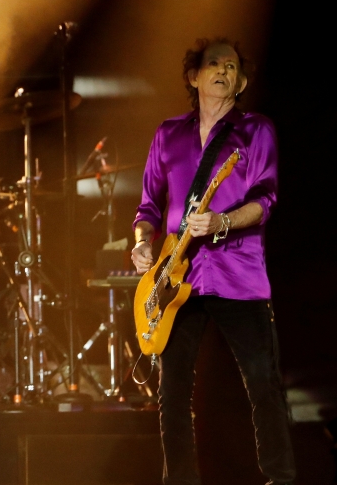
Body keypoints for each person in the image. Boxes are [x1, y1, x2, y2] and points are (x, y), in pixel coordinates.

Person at [131, 38, 294, 485]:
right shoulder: (168, 134)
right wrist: (142, 243)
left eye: (232, 66)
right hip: (176, 278)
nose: (223, 70)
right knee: (172, 393)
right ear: (193, 76)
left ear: (241, 83)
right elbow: (148, 207)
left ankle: (280, 479)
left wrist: (223, 221)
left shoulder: (255, 131)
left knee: (262, 383)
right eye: (214, 64)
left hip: (238, 271)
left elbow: (266, 199)